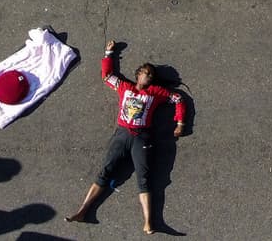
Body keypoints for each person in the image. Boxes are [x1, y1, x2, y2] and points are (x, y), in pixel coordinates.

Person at [65, 40, 187, 234]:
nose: (148, 77)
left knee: (144, 178)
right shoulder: (124, 87)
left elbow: (178, 99)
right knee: (105, 171)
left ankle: (150, 222)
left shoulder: (156, 93)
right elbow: (107, 76)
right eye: (146, 73)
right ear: (138, 74)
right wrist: (108, 53)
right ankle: (83, 211)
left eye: (151, 75)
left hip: (142, 138)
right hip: (122, 134)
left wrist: (179, 123)